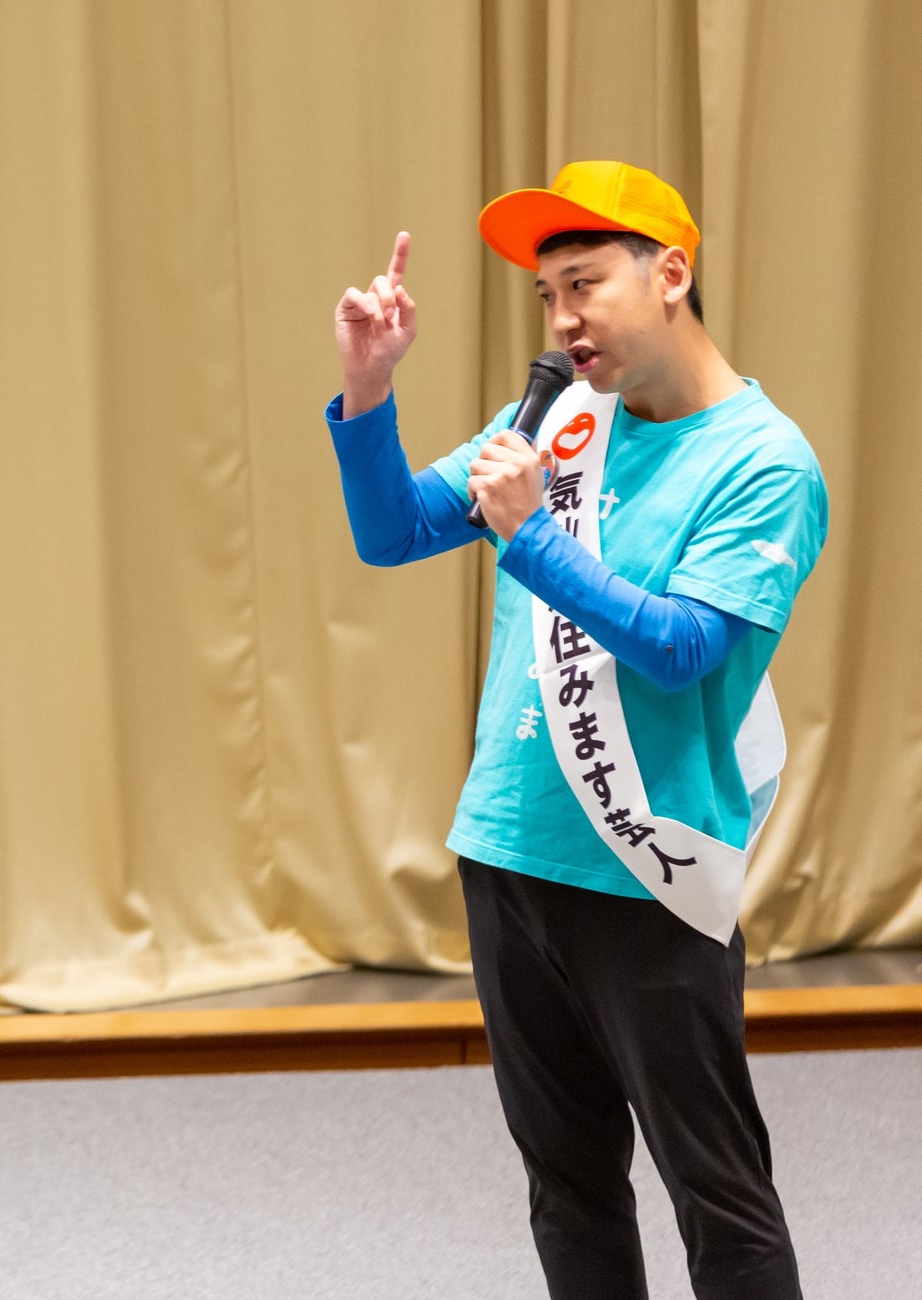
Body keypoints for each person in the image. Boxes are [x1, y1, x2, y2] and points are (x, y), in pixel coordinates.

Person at [325, 160, 825, 1299]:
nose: (562, 320)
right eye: (548, 295)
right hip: (509, 851)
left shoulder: (765, 461)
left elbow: (685, 647)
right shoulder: (556, 421)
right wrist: (368, 389)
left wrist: (533, 540)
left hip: (647, 866)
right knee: (568, 1186)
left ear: (671, 275)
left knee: (719, 1195)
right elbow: (391, 532)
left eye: (586, 284)